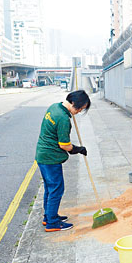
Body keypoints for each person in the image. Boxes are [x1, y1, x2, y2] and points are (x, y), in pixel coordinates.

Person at [35, 90, 91, 232]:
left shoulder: (54, 107)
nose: (78, 112)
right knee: (56, 189)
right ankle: (52, 223)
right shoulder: (63, 119)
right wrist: (78, 149)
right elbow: (64, 145)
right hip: (50, 158)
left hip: (43, 155)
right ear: (73, 103)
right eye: (79, 108)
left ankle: (48, 216)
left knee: (50, 187)